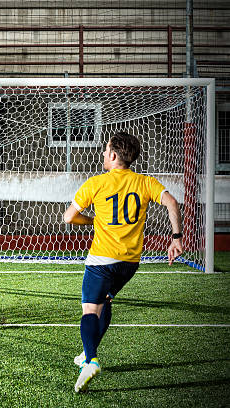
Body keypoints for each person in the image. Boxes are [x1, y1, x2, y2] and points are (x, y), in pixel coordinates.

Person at [63, 131, 183, 393]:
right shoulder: (145, 182)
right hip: (129, 263)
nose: (103, 154)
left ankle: (91, 359)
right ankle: (86, 354)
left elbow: (69, 217)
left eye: (106, 151)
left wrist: (92, 221)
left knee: (89, 310)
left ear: (114, 155)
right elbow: (172, 202)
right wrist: (176, 237)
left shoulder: (96, 183)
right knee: (105, 301)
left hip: (101, 260)